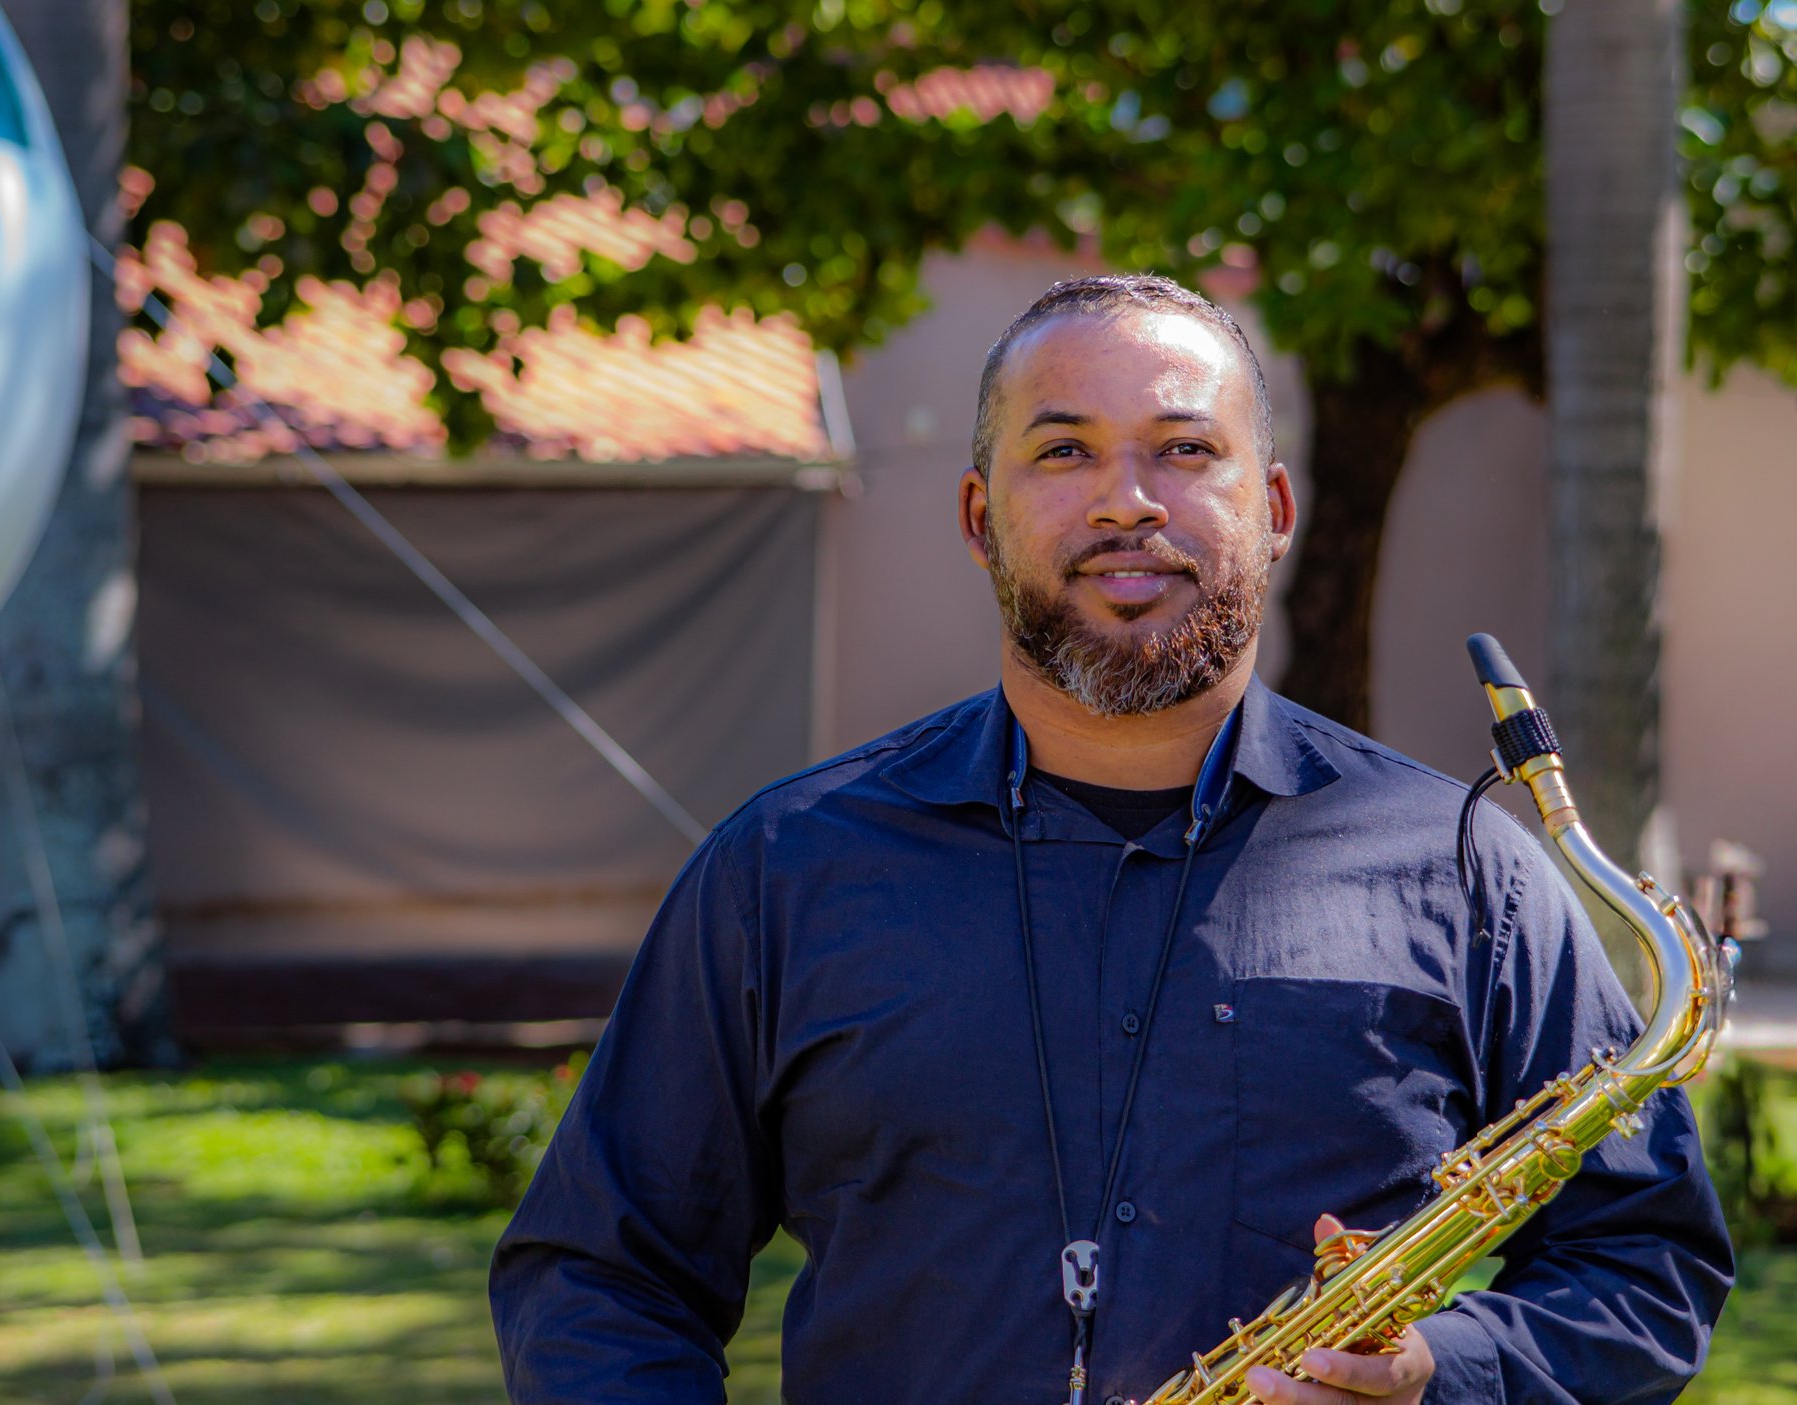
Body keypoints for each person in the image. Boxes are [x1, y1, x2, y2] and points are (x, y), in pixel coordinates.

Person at [491, 275, 1734, 1404]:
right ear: (981, 515)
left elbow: (1646, 1260)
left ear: (1274, 506)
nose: (1127, 501)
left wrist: (1439, 1373)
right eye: (1064, 450)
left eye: (1186, 450)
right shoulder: (787, 868)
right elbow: (601, 1278)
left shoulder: (1469, 869)